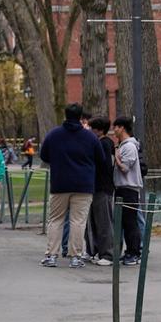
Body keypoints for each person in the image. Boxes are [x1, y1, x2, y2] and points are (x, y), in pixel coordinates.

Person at [39, 103, 104, 269]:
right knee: (78, 221)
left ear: (65, 115)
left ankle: (51, 255)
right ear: (81, 117)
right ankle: (75, 256)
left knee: (55, 219)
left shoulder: (54, 135)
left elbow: (44, 156)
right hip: (83, 184)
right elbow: (101, 159)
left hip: (60, 182)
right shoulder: (90, 137)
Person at [112, 115, 143, 265]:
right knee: (125, 222)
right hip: (121, 188)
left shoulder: (129, 147)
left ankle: (135, 252)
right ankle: (129, 251)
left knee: (131, 222)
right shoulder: (123, 145)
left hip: (129, 189)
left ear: (122, 128)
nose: (114, 130)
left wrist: (116, 158)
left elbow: (125, 168)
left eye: (116, 127)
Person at [87, 116, 115, 266]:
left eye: (93, 129)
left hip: (102, 187)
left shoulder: (104, 144)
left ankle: (108, 253)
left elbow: (103, 166)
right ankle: (97, 250)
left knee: (104, 221)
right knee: (97, 220)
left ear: (99, 130)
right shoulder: (104, 143)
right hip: (98, 186)